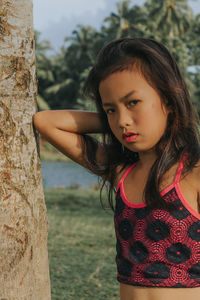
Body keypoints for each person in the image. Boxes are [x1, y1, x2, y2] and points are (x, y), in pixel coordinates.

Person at [33, 38, 200, 300]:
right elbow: (45, 121)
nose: (122, 120)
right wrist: (113, 121)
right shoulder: (121, 172)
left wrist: (117, 117)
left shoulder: (194, 173)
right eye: (111, 109)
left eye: (133, 102)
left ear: (168, 99)